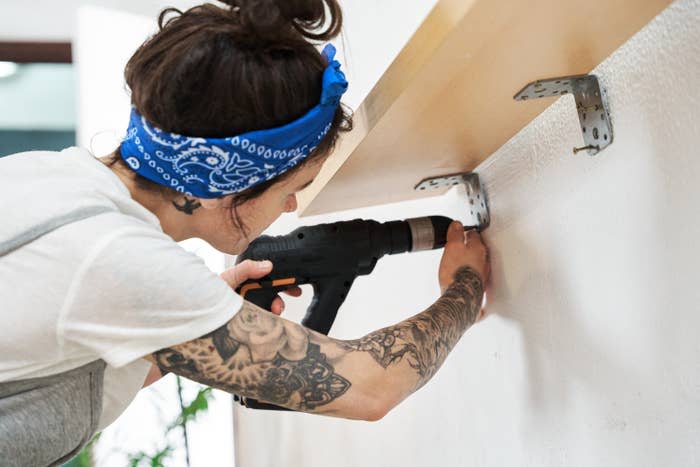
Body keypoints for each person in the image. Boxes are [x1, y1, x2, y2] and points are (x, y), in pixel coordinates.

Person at [0, 0, 490, 465]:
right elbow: (369, 386)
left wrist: (189, 328)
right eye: (292, 188)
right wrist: (464, 288)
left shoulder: (41, 176)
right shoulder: (120, 259)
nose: (294, 204)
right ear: (230, 184)